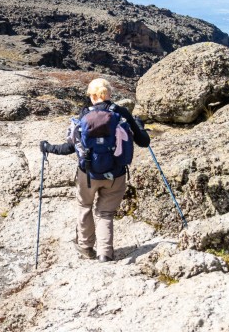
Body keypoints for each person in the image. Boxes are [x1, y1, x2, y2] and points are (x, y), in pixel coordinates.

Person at [39, 78, 150, 262]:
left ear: (93, 96)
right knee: (105, 213)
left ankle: (85, 246)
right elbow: (144, 142)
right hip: (116, 175)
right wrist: (138, 125)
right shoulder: (121, 113)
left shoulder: (84, 115)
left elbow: (69, 147)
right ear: (108, 94)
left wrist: (47, 147)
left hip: (88, 174)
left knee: (85, 206)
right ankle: (105, 254)